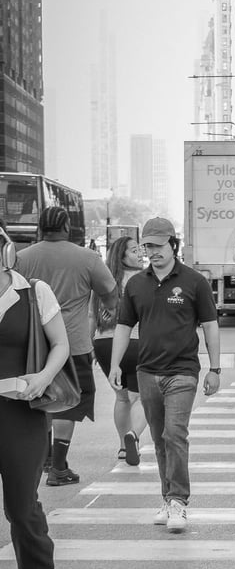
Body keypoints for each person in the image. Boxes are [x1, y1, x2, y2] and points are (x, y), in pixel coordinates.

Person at [109, 217, 220, 534]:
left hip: (183, 372)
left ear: (174, 244)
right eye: (148, 246)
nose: (152, 252)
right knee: (158, 440)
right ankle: (167, 499)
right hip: (147, 371)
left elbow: (210, 326)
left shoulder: (194, 282)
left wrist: (215, 368)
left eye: (158, 246)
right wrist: (116, 364)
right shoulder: (136, 285)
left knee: (175, 434)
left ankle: (179, 502)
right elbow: (123, 327)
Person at [16, 206, 117, 486]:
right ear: (67, 228)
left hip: (32, 346)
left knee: (39, 401)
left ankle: (45, 459)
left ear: (40, 228)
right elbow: (109, 291)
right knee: (67, 404)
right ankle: (59, 467)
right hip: (73, 344)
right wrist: (108, 310)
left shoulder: (21, 258)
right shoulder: (87, 257)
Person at [0, 216, 69, 569]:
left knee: (21, 505)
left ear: (5, 250)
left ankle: (34, 563)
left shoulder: (34, 292)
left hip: (21, 414)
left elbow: (59, 343)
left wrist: (42, 378)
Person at [92, 235, 147, 465]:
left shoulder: (104, 280)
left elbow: (91, 314)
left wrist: (89, 347)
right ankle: (132, 436)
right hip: (133, 342)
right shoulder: (143, 279)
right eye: (135, 251)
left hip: (103, 343)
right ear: (122, 256)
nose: (141, 254)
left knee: (122, 398)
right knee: (141, 397)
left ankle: (123, 448)